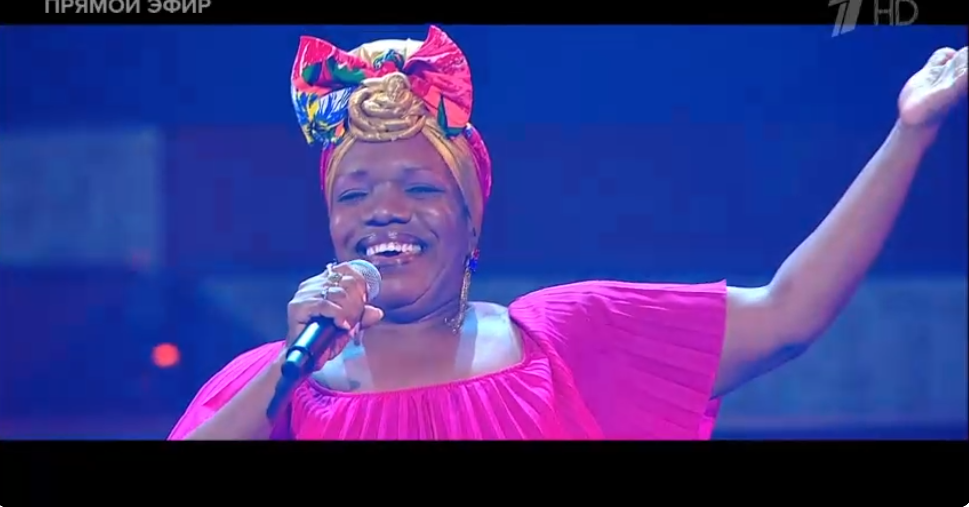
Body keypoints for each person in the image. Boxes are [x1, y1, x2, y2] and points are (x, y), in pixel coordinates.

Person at [169, 26, 967, 440]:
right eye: (354, 193)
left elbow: (787, 314)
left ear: (472, 217)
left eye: (421, 187)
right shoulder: (274, 383)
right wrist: (288, 369)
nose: (384, 209)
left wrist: (910, 133)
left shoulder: (566, 340)